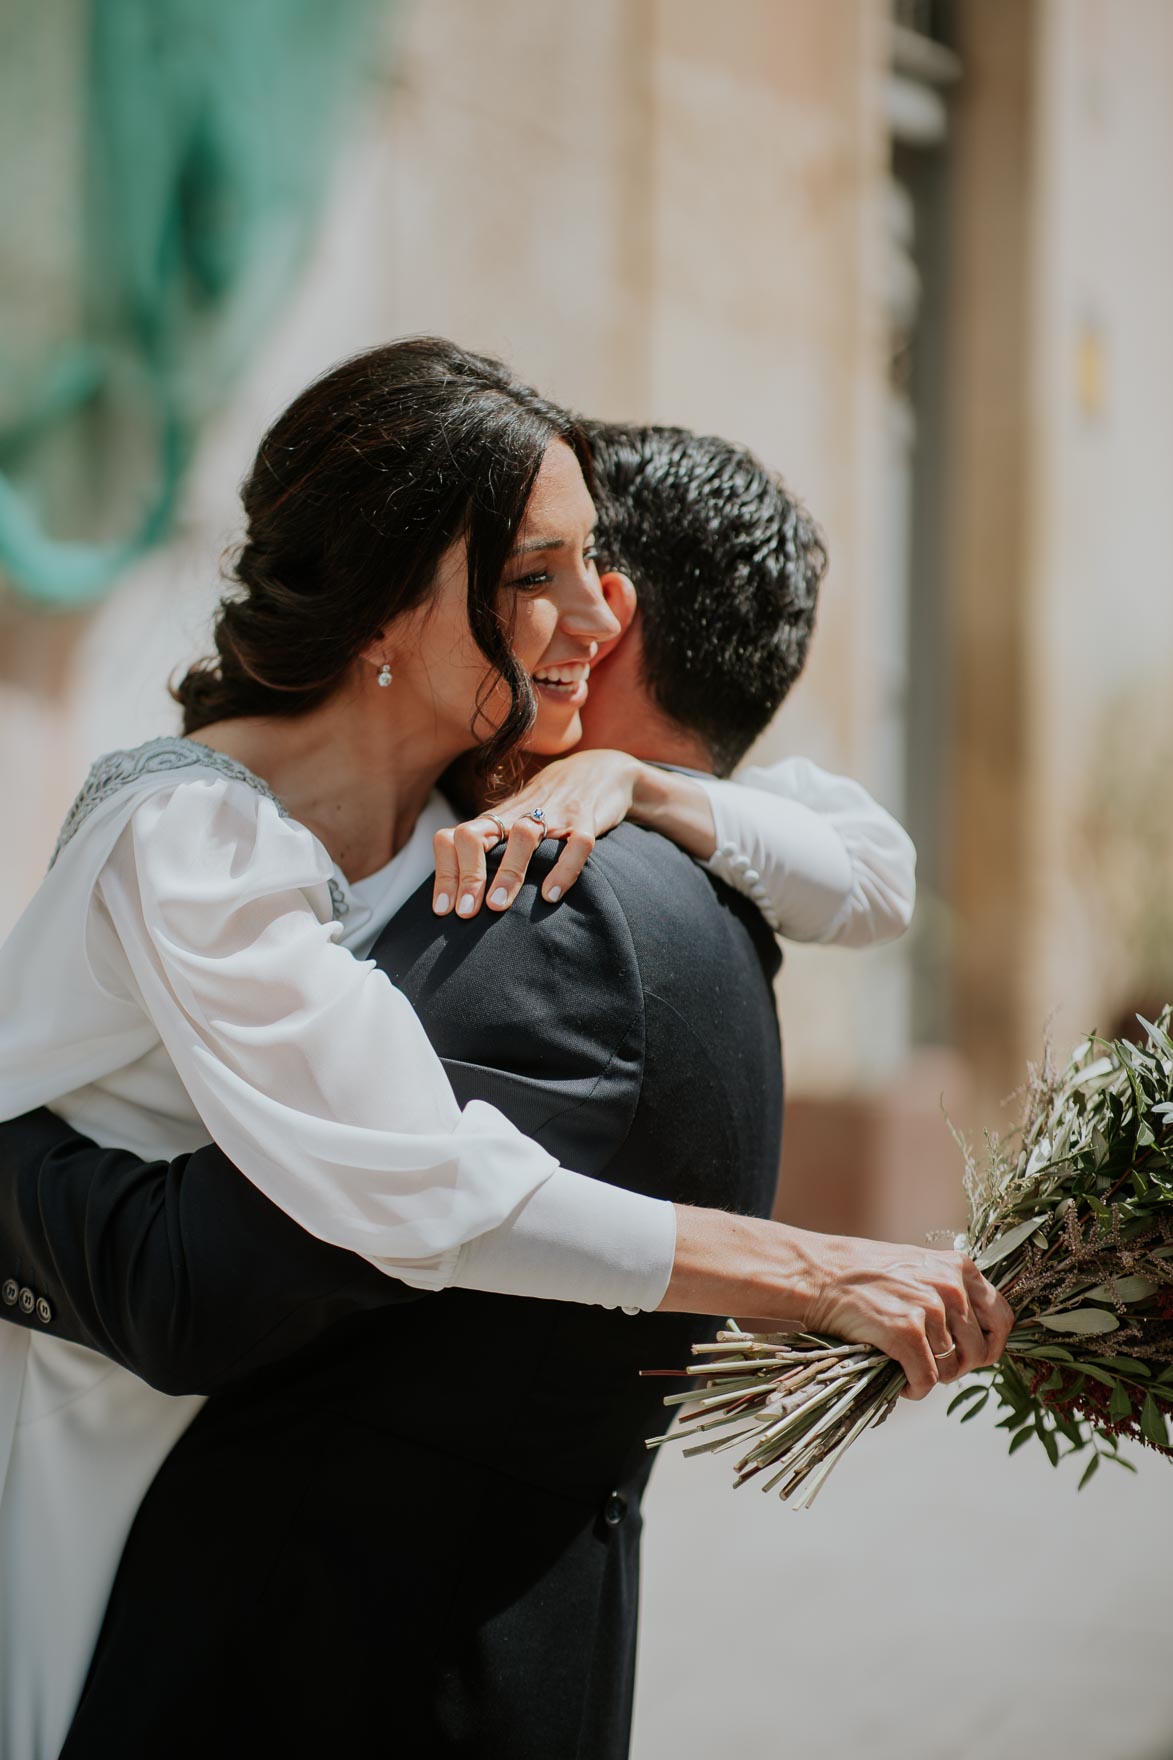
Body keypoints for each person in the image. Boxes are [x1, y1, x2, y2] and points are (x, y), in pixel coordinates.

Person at [0, 345, 1011, 1756]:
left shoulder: (465, 815)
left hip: (230, 1473)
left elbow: (869, 863)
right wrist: (816, 1270)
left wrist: (638, 777)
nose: (599, 614)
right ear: (388, 605)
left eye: (594, 562)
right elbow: (416, 1180)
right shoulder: (190, 840)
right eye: (538, 573)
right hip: (83, 1444)